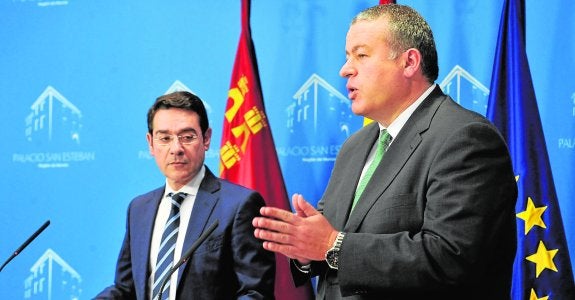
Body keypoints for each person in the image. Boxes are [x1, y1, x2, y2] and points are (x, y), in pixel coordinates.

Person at [253, 4, 517, 299]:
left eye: (361, 55)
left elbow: (450, 257)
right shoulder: (355, 146)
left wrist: (332, 244)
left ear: (409, 62)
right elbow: (329, 245)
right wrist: (305, 250)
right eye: (347, 56)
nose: (345, 69)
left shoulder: (466, 138)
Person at [96, 91, 275, 299]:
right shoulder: (138, 209)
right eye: (164, 138)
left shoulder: (239, 205)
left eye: (187, 137)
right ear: (151, 143)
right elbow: (126, 289)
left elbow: (255, 293)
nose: (176, 149)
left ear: (206, 139)